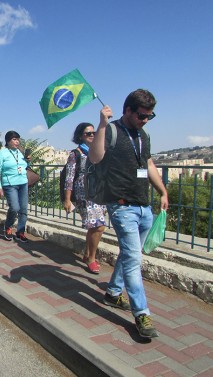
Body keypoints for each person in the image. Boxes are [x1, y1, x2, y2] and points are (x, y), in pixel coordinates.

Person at [89, 89, 168, 339]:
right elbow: (95, 157)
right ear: (128, 111)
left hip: (144, 206)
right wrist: (101, 125)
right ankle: (141, 313)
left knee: (129, 254)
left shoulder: (143, 135)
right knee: (134, 260)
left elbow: (149, 165)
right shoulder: (112, 131)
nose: (145, 120)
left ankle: (113, 293)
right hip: (122, 206)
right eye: (141, 116)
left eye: (149, 116)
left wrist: (162, 191)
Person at [63, 123, 106, 274]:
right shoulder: (76, 154)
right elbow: (69, 178)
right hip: (84, 193)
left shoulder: (99, 150)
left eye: (94, 132)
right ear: (80, 136)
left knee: (93, 227)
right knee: (98, 226)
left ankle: (87, 253)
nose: (92, 135)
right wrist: (67, 200)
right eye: (88, 133)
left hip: (99, 192)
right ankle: (91, 259)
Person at [0, 131, 30, 243]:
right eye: (14, 139)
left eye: (18, 139)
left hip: (23, 183)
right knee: (15, 207)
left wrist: (28, 161)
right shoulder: (2, 153)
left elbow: (24, 167)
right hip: (9, 184)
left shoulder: (20, 151)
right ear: (8, 141)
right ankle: (8, 226)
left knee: (23, 209)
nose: (17, 141)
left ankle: (20, 232)